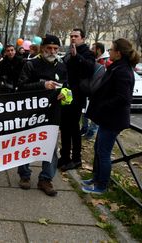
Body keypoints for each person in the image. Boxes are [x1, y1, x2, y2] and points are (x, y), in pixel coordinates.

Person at [82, 38, 140, 194]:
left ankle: (101, 185)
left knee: (104, 152)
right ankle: (96, 177)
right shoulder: (117, 67)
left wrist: (103, 104)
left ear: (119, 53)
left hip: (113, 120)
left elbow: (124, 98)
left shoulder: (123, 71)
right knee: (98, 148)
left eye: (112, 49)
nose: (109, 52)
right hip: (107, 118)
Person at [17, 34, 68, 197]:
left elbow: (67, 87)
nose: (52, 51)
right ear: (42, 48)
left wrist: (66, 94)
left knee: (51, 147)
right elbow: (21, 86)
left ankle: (46, 179)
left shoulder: (62, 66)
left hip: (52, 114)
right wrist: (42, 85)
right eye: (49, 48)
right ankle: (24, 175)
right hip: (31, 113)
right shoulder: (31, 65)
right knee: (27, 143)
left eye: (55, 48)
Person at [60, 28, 95, 172]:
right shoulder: (69, 52)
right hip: (66, 96)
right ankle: (64, 157)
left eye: (76, 36)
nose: (73, 38)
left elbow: (89, 69)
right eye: (71, 36)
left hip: (78, 97)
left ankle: (76, 159)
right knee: (65, 128)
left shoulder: (87, 53)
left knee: (74, 128)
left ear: (83, 38)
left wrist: (77, 57)